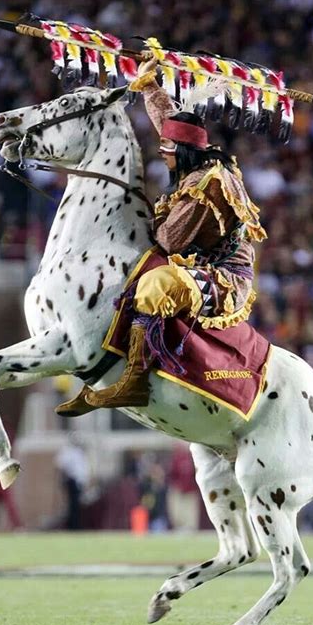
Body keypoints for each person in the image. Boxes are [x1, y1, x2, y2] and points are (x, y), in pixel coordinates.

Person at [57, 56, 266, 416]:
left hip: (224, 280)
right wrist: (150, 85)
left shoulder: (208, 184)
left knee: (154, 283)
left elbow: (169, 241)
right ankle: (101, 373)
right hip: (200, 265)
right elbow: (170, 125)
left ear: (183, 152)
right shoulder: (196, 164)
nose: (162, 153)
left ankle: (134, 381)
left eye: (168, 150)